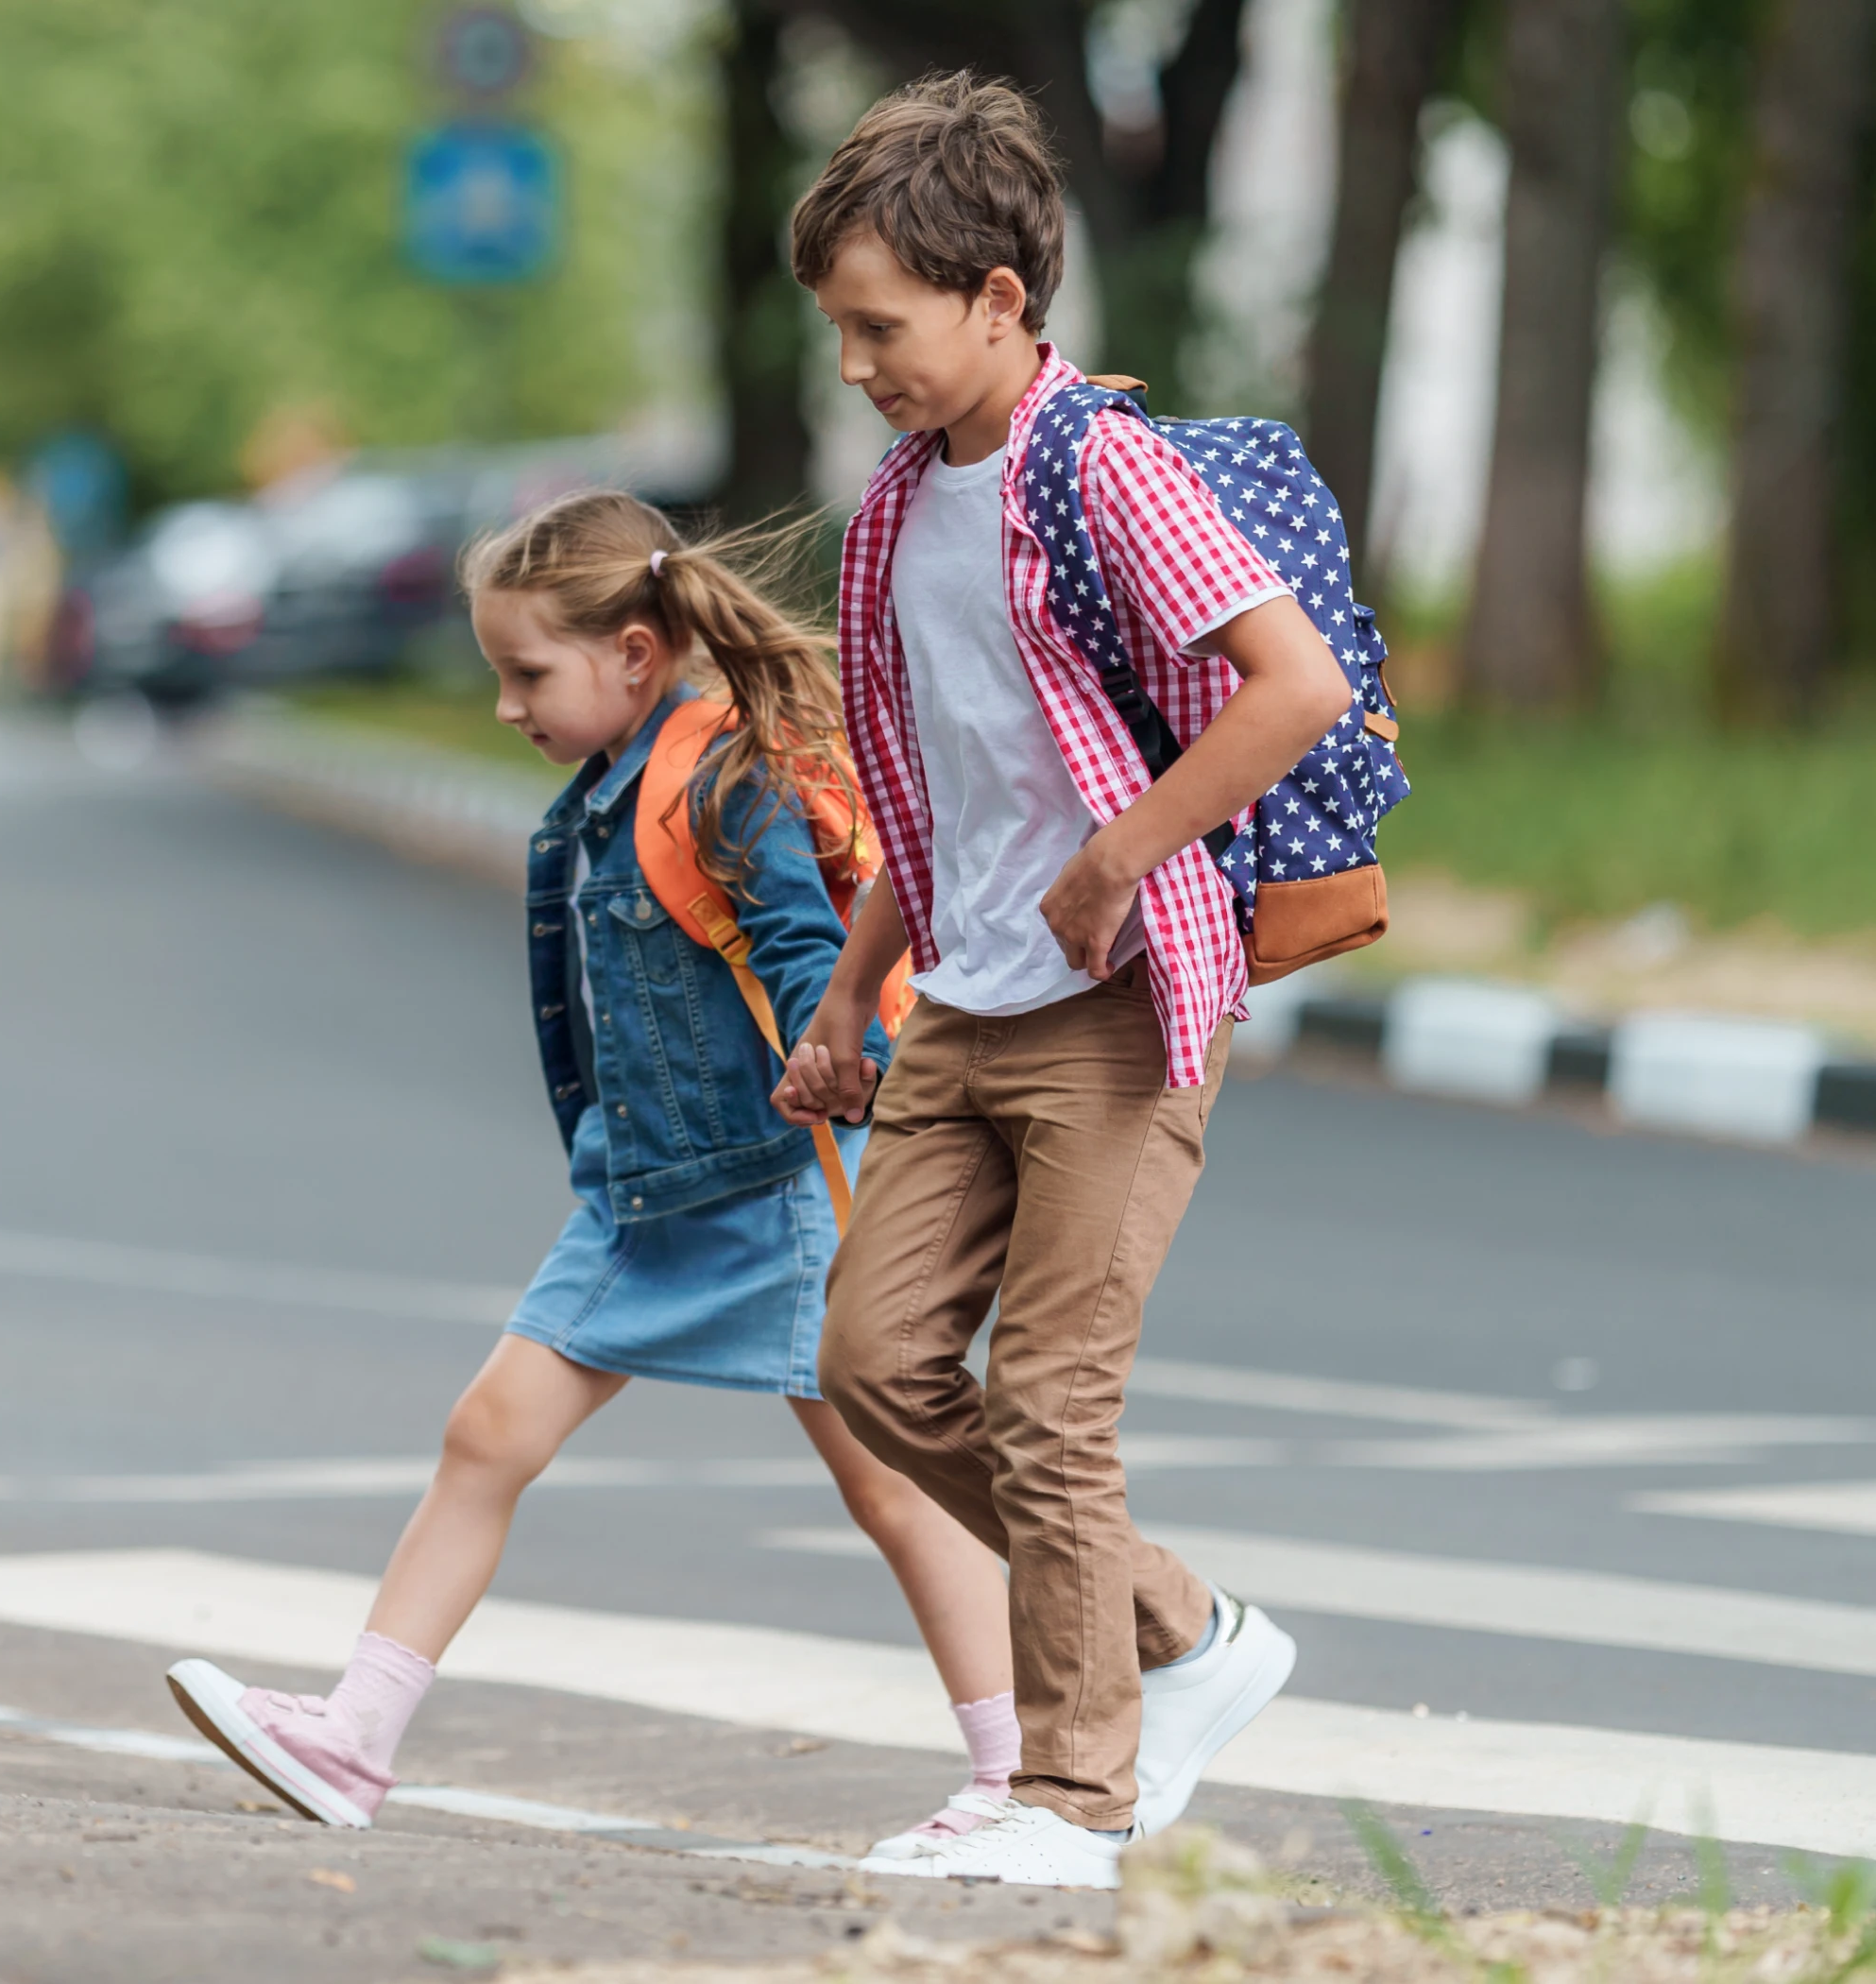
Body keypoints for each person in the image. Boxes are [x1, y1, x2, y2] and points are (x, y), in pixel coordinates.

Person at [165, 492, 1019, 1862]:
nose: (506, 706)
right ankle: (353, 1738)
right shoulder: (603, 794)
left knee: (892, 1487)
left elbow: (824, 965)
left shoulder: (725, 781)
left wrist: (832, 1050)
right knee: (486, 1435)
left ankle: (1024, 1772)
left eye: (526, 674)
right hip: (645, 1198)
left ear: (632, 652)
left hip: (783, 1190)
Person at [773, 75, 1354, 1890]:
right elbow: (925, 773)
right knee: (871, 1363)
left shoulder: (1103, 467)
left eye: (882, 325)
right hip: (964, 999)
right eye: (840, 331)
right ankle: (1187, 1635)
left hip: (1123, 1003)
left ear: (1000, 302)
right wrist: (855, 987)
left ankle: (1075, 1800)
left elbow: (1294, 684)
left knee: (1050, 1400)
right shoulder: (886, 513)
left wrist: (1124, 852)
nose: (858, 362)